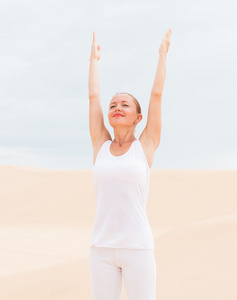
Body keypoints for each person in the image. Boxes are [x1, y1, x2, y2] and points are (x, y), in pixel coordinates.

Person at [88, 28, 171, 300]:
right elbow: (93, 98)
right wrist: (93, 62)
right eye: (113, 106)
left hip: (137, 248)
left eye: (125, 105)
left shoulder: (145, 146)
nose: (116, 108)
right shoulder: (100, 144)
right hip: (101, 249)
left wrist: (162, 55)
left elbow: (156, 95)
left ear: (138, 117)